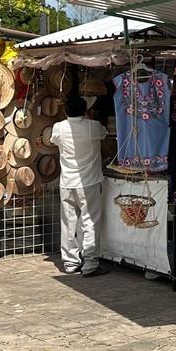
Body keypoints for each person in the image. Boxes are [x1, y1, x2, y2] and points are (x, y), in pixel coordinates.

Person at [49, 95, 107, 276]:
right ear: (85, 110)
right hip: (88, 181)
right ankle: (90, 263)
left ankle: (70, 262)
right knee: (89, 221)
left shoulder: (59, 128)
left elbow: (53, 140)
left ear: (65, 111)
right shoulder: (93, 127)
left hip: (67, 182)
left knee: (68, 222)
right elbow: (105, 134)